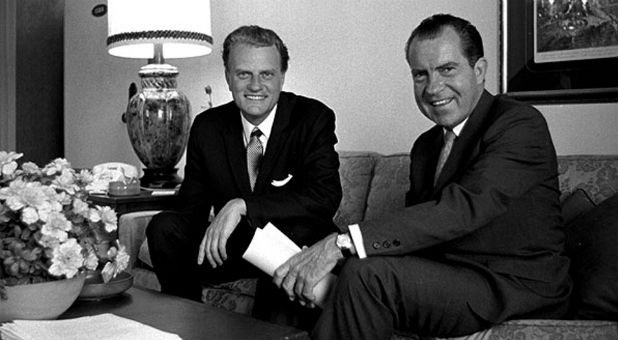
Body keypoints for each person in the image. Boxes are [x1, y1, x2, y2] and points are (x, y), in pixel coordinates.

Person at [273, 13, 572, 339]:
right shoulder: (427, 146)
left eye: (447, 69)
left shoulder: (518, 124)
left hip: (513, 286)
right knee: (304, 271)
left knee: (367, 276)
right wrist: (324, 259)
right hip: (451, 276)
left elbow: (460, 209)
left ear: (480, 70)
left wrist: (342, 243)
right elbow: (421, 231)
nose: (432, 87)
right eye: (420, 74)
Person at [146, 25, 342, 329]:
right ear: (227, 76)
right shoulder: (208, 126)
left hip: (293, 243)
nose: (255, 85)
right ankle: (187, 326)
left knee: (284, 260)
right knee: (164, 227)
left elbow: (324, 198)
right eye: (243, 74)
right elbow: (190, 208)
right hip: (237, 245)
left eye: (266, 74)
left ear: (282, 76)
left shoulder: (312, 118)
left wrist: (242, 205)